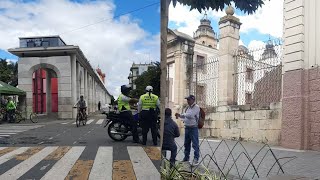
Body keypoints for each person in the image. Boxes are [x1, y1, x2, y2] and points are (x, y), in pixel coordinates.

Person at [175, 95, 200, 165]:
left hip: (193, 128)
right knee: (186, 144)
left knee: (195, 144)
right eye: (187, 100)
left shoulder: (196, 107)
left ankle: (196, 159)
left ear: (193, 100)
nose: (187, 101)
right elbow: (185, 115)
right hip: (187, 127)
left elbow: (190, 115)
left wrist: (184, 114)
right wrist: (179, 115)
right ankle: (186, 158)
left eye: (189, 100)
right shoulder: (188, 108)